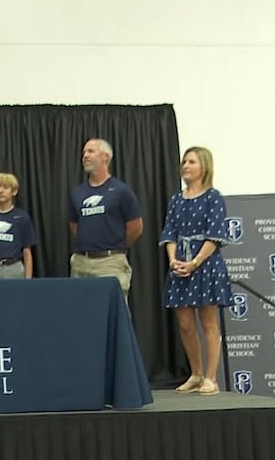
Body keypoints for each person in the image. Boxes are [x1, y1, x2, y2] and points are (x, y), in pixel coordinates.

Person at [159, 146, 234, 396]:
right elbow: (169, 233)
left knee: (208, 322)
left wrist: (195, 263)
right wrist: (173, 260)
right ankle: (196, 373)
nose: (186, 166)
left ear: (204, 166)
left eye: (191, 162)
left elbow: (215, 236)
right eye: (184, 162)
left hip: (205, 265)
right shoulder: (176, 199)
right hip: (180, 264)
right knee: (185, 324)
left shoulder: (213, 197)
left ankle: (211, 378)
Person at [68, 138, 144, 300]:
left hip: (111, 263)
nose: (85, 156)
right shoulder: (77, 193)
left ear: (105, 157)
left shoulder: (121, 191)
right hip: (81, 263)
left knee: (114, 314)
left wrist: (115, 246)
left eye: (90, 151)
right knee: (81, 312)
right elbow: (74, 226)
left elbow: (136, 227)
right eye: (84, 153)